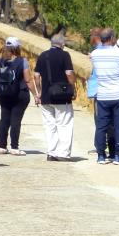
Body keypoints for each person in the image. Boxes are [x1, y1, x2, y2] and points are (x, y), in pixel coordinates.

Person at [89, 28, 119, 164]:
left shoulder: (95, 54)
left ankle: (101, 155)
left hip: (103, 95)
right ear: (111, 39)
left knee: (101, 126)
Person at [33, 32, 75, 161]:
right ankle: (63, 153)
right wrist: (73, 88)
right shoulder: (65, 55)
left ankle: (52, 152)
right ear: (62, 44)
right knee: (64, 124)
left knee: (49, 125)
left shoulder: (43, 55)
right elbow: (69, 73)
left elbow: (36, 76)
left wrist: (39, 92)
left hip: (46, 96)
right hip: (62, 96)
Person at [0, 37, 34, 155]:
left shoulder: (1, 60)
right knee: (15, 120)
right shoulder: (22, 61)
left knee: (4, 119)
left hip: (4, 93)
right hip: (19, 94)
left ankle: (2, 146)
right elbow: (28, 80)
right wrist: (36, 95)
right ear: (17, 47)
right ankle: (14, 147)